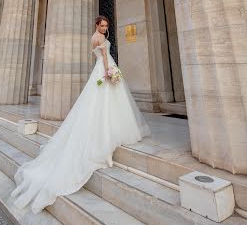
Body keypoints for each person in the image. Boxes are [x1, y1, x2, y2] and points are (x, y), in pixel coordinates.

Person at [11, 15, 150, 214]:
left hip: (102, 69)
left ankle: (110, 131)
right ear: (96, 25)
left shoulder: (96, 37)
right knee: (105, 103)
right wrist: (109, 73)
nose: (104, 28)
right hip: (104, 69)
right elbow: (102, 58)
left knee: (104, 104)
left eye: (106, 26)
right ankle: (105, 137)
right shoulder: (99, 39)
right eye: (102, 26)